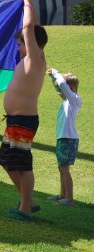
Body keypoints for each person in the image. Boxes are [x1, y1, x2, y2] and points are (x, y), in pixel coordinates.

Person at [0, 0, 48, 221]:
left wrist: (28, 1)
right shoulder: (32, 59)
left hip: (24, 121)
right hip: (15, 121)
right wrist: (31, 7)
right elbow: (33, 29)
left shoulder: (34, 60)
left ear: (32, 45)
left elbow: (30, 30)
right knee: (6, 161)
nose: (19, 48)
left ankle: (25, 208)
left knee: (22, 165)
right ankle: (28, 200)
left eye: (20, 44)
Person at [46, 68, 81, 207]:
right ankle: (62, 195)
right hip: (63, 137)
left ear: (70, 88)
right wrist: (52, 78)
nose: (59, 91)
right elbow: (59, 86)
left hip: (68, 138)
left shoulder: (74, 100)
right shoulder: (67, 101)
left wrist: (55, 72)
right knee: (61, 167)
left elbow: (61, 85)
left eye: (64, 89)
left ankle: (70, 200)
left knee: (65, 168)